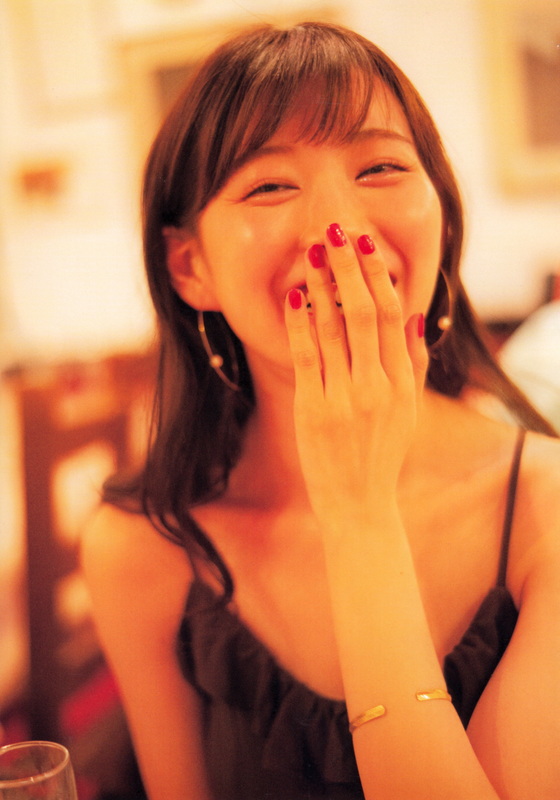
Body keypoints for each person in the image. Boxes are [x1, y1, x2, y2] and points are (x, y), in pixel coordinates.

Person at [81, 22, 560, 800]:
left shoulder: (547, 502)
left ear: (442, 216)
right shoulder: (142, 546)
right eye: (270, 185)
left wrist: (359, 510)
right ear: (190, 266)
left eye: (381, 168)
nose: (342, 226)